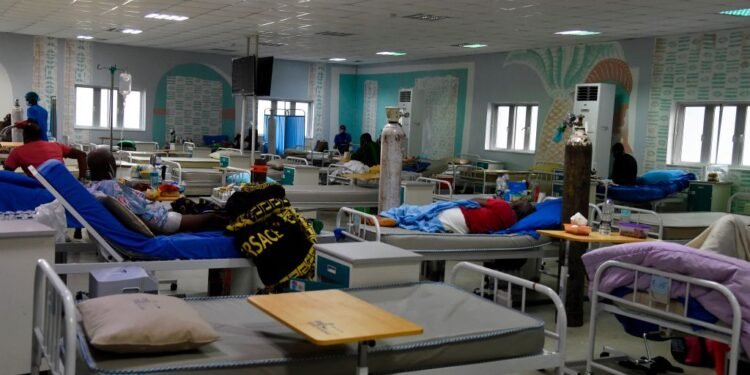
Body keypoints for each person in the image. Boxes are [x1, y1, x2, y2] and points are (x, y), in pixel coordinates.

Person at [86, 148, 227, 234]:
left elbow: (126, 202)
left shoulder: (94, 187)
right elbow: (134, 213)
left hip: (158, 215)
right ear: (110, 166)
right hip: (161, 221)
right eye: (114, 163)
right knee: (212, 217)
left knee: (186, 203)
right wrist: (156, 230)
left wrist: (134, 190)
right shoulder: (110, 187)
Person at [2, 119, 86, 179]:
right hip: (64, 186)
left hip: (39, 190)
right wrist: (81, 179)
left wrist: (6, 163)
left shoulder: (17, 152)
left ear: (24, 135)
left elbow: (7, 173)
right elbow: (82, 155)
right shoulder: (56, 145)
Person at [438, 198, 536, 234]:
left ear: (517, 205)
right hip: (465, 229)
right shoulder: (512, 223)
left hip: (458, 217)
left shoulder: (503, 206)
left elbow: (475, 201)